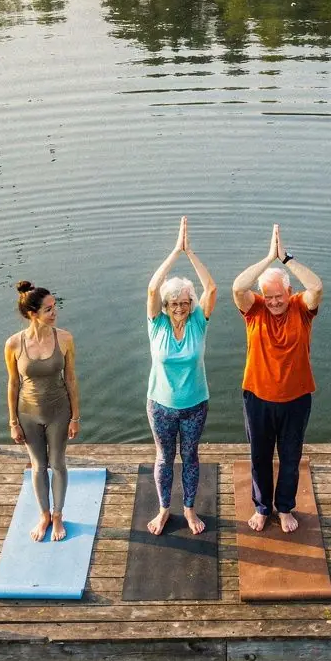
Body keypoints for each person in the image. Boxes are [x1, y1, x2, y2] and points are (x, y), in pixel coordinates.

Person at [233, 225, 323, 533]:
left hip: (296, 399)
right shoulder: (254, 309)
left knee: (290, 457)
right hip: (257, 398)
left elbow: (317, 287)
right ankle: (262, 507)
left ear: (289, 292)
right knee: (259, 456)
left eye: (278, 296)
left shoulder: (301, 308)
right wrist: (267, 258)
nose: (273, 302)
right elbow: (238, 287)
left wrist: (285, 258)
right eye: (268, 296)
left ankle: (284, 507)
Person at [146, 216, 217, 537]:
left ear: (191, 303)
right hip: (160, 405)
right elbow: (152, 287)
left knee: (190, 456)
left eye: (185, 303)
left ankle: (188, 508)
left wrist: (191, 253)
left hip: (195, 405)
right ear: (166, 305)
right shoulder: (157, 324)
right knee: (164, 458)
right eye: (174, 303)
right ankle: (164, 509)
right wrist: (175, 251)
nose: (179, 308)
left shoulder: (198, 322)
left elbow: (211, 288)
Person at [5, 281, 80, 542]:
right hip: (28, 413)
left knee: (57, 464)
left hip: (59, 411)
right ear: (32, 313)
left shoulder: (65, 339)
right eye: (48, 309)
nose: (54, 312)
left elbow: (71, 379)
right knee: (38, 466)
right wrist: (13, 422)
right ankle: (44, 515)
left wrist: (75, 417)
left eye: (54, 306)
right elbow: (13, 383)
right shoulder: (14, 344)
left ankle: (58, 515)